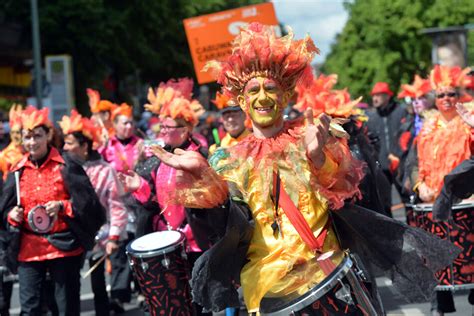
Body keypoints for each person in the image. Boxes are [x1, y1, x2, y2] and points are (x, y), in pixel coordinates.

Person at [147, 23, 459, 314]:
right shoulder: (227, 159)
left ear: (284, 95)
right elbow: (222, 232)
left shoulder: (313, 135)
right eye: (253, 91)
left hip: (329, 270)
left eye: (270, 88)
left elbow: (354, 199)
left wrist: (319, 159)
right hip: (268, 284)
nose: (262, 97)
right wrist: (205, 184)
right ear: (242, 101)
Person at [0, 106, 105, 316]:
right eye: (27, 137)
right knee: (30, 308)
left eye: (37, 136)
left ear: (48, 135)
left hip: (63, 245)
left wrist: (62, 206)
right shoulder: (16, 170)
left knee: (65, 307)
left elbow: (89, 206)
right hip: (29, 249)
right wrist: (12, 215)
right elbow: (4, 209)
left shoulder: (66, 165)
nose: (32, 143)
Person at [414, 65, 473, 316]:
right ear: (435, 100)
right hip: (435, 204)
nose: (447, 99)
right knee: (436, 262)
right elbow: (416, 164)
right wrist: (420, 185)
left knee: (470, 262)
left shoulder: (469, 121)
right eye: (441, 95)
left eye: (451, 94)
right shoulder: (426, 128)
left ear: (459, 96)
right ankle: (439, 308)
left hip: (466, 203)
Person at [60, 110, 128, 316]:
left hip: (98, 235)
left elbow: (116, 205)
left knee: (99, 286)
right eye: (64, 142)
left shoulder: (104, 170)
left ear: (84, 146)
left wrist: (114, 236)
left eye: (70, 143)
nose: (64, 148)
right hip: (69, 236)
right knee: (68, 287)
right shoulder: (61, 168)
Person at [396, 75, 434, 200]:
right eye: (414, 99)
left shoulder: (437, 121)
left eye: (421, 98)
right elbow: (406, 156)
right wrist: (406, 177)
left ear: (431, 99)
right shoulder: (407, 124)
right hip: (413, 178)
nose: (416, 102)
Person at [366, 81, 408, 186]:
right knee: (384, 199)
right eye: (373, 95)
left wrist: (400, 156)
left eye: (378, 95)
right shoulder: (371, 116)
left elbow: (407, 136)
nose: (374, 98)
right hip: (381, 165)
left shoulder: (401, 111)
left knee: (407, 196)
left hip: (401, 162)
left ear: (387, 96)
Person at [0, 105, 24, 180]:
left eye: (18, 132)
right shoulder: (5, 155)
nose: (15, 136)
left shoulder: (33, 152)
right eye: (12, 133)